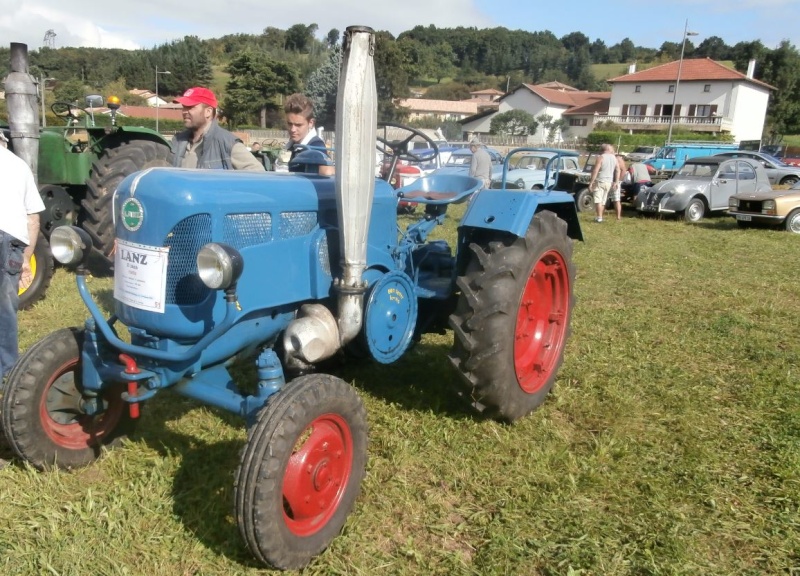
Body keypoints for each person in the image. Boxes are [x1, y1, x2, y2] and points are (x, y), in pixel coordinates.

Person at [0, 131, 45, 381]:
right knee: (5, 306)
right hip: (9, 238)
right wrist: (27, 258)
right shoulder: (19, 165)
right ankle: (6, 370)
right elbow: (33, 218)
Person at [171, 86, 264, 171]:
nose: (184, 112)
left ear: (208, 111)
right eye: (184, 107)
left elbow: (258, 174)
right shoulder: (177, 142)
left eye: (190, 107)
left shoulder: (228, 144)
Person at [283, 93, 330, 174]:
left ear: (311, 123)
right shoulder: (291, 146)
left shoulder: (315, 147)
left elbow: (328, 172)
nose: (292, 129)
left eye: (298, 125)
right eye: (289, 124)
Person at [587, 143, 621, 223]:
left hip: (600, 180)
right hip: (609, 182)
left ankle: (599, 217)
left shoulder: (601, 157)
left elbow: (596, 170)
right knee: (603, 200)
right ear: (609, 150)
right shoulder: (614, 158)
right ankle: (600, 216)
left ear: (603, 150)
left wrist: (591, 182)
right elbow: (618, 170)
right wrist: (616, 181)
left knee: (598, 200)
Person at [610, 153, 627, 220]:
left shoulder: (618, 159)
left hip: (615, 182)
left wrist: (618, 181)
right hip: (608, 181)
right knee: (604, 199)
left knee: (616, 200)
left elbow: (623, 170)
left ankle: (618, 217)